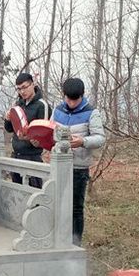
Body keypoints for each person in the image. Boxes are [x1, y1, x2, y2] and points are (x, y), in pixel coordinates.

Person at [50, 78, 105, 246]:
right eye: (68, 98)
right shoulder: (57, 110)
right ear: (64, 95)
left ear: (82, 96)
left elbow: (100, 138)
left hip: (79, 168)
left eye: (75, 99)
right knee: (57, 205)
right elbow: (50, 131)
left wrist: (83, 141)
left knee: (75, 208)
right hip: (58, 164)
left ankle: (75, 244)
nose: (72, 103)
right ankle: (57, 240)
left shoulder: (91, 112)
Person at [4, 72, 50, 188]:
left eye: (24, 87)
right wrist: (7, 119)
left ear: (33, 84)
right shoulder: (18, 104)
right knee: (17, 193)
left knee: (34, 194)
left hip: (32, 157)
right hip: (16, 155)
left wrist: (30, 139)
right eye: (19, 89)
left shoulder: (42, 105)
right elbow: (10, 129)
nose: (22, 92)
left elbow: (43, 134)